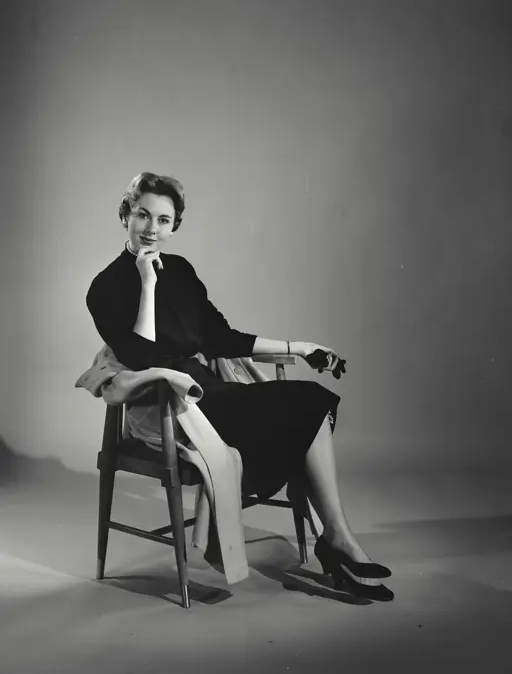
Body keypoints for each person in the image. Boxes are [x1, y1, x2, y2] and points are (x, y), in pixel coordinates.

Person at [86, 172, 393, 601]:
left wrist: (300, 348)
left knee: (311, 399)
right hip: (172, 408)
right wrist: (148, 283)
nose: (152, 229)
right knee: (296, 411)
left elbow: (222, 338)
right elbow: (143, 358)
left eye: (164, 219)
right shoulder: (104, 288)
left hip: (214, 391)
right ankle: (339, 545)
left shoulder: (182, 271)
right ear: (125, 216)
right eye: (142, 215)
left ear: (175, 226)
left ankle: (337, 539)